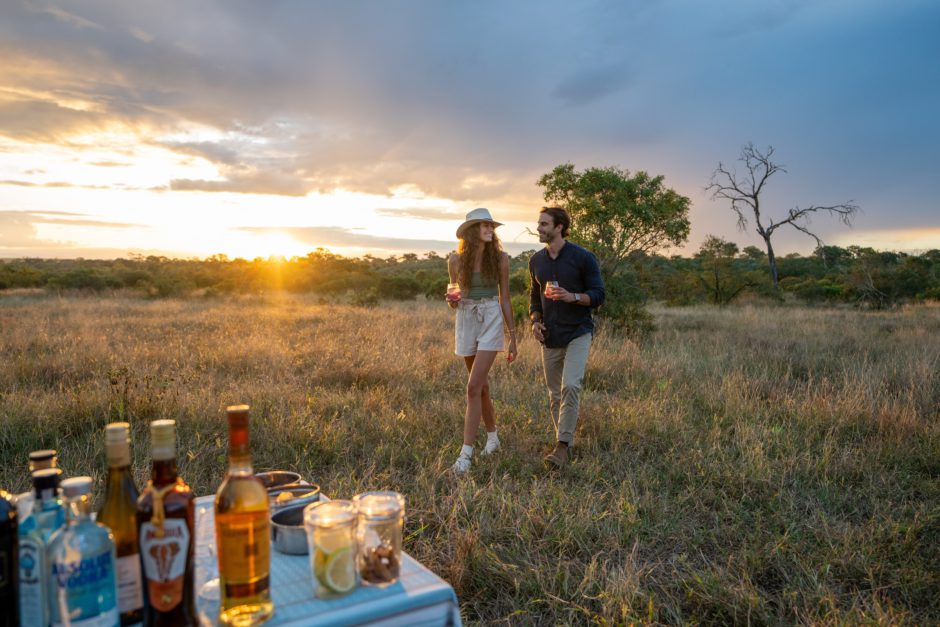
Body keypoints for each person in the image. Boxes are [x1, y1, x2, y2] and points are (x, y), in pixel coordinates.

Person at [528, 206, 605, 468]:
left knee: (570, 385)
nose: (539, 228)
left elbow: (599, 295)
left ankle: (562, 447)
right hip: (549, 334)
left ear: (559, 227)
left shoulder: (583, 258)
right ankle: (564, 438)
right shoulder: (536, 260)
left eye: (544, 224)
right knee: (554, 394)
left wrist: (572, 296)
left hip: (578, 331)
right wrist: (535, 322)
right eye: (539, 224)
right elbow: (534, 297)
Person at [447, 208, 518, 475]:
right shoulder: (455, 260)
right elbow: (454, 295)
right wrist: (452, 302)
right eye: (484, 225)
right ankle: (493, 438)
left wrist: (513, 337)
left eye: (491, 226)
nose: (490, 229)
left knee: (473, 386)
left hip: (490, 316)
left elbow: (506, 299)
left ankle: (466, 454)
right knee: (482, 387)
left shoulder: (500, 258)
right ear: (471, 232)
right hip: (466, 316)